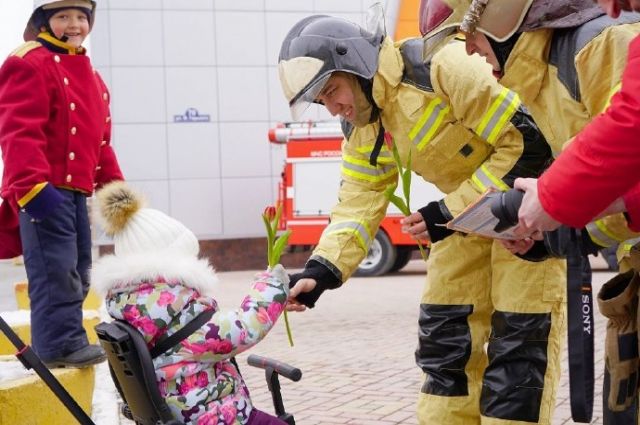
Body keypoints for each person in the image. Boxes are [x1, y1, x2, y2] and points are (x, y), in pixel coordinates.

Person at [278, 12, 566, 425]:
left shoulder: (440, 66)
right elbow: (359, 201)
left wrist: (447, 212)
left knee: (519, 353)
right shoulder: (362, 125)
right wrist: (321, 272)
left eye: (332, 91)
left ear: (355, 63)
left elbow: (529, 143)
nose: (332, 108)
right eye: (322, 100)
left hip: (527, 216)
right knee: (444, 345)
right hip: (464, 220)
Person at [419, 0, 640, 256]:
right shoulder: (539, 73)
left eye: (471, 31)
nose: (468, 49)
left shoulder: (599, 44)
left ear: (501, 14)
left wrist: (551, 201)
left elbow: (626, 143)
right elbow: (613, 185)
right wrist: (549, 234)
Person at [91, 181, 289, 425]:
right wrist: (272, 286)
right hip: (214, 416)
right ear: (174, 266)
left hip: (180, 414)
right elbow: (246, 327)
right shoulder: (183, 317)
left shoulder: (133, 312)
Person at [0, 0, 124, 368]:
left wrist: (117, 194)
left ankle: (65, 340)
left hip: (78, 192)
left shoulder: (94, 78)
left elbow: (101, 145)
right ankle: (57, 345)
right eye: (62, 16)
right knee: (55, 271)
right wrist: (33, 190)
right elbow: (18, 132)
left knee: (78, 270)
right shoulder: (28, 62)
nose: (74, 24)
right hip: (44, 189)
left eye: (81, 17)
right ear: (43, 21)